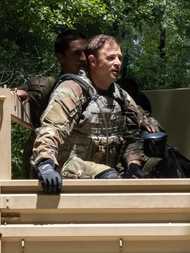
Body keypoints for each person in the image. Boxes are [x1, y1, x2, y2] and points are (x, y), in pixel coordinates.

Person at [31, 34, 161, 193]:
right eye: (111, 58)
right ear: (93, 61)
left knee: (159, 167)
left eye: (120, 58)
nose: (118, 63)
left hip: (109, 173)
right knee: (109, 177)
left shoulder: (120, 96)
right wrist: (45, 164)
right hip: (70, 170)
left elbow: (132, 137)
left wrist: (134, 167)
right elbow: (51, 130)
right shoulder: (71, 90)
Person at [16, 29, 89, 178]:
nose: (83, 59)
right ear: (61, 58)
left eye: (86, 53)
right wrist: (17, 96)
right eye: (76, 53)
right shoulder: (50, 86)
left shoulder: (102, 87)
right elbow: (8, 99)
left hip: (88, 171)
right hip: (53, 171)